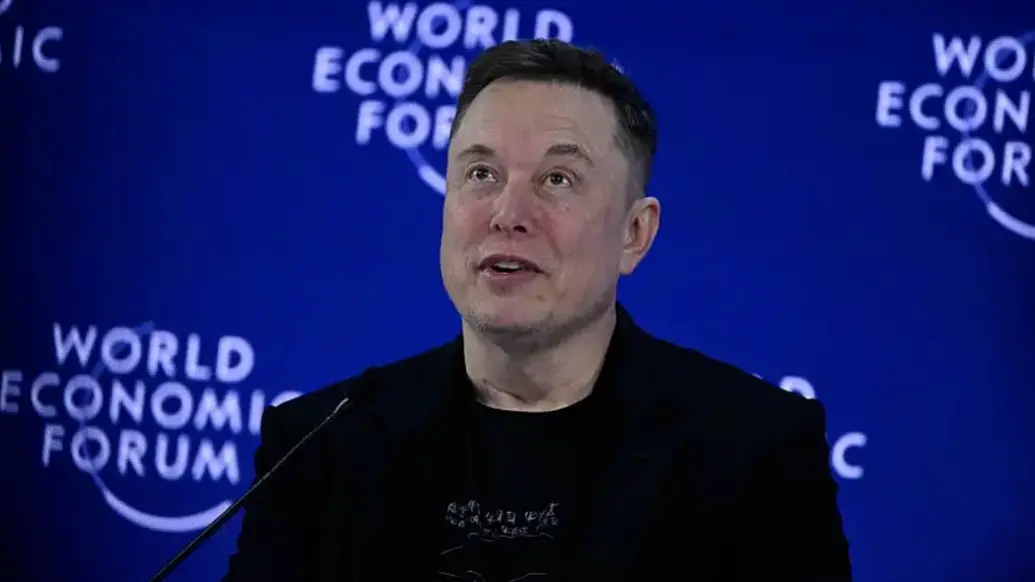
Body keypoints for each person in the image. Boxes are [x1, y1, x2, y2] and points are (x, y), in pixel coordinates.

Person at [223, 39, 852, 581]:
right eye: (481, 174)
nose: (508, 213)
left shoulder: (754, 452)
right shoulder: (319, 446)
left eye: (557, 179)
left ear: (634, 234)